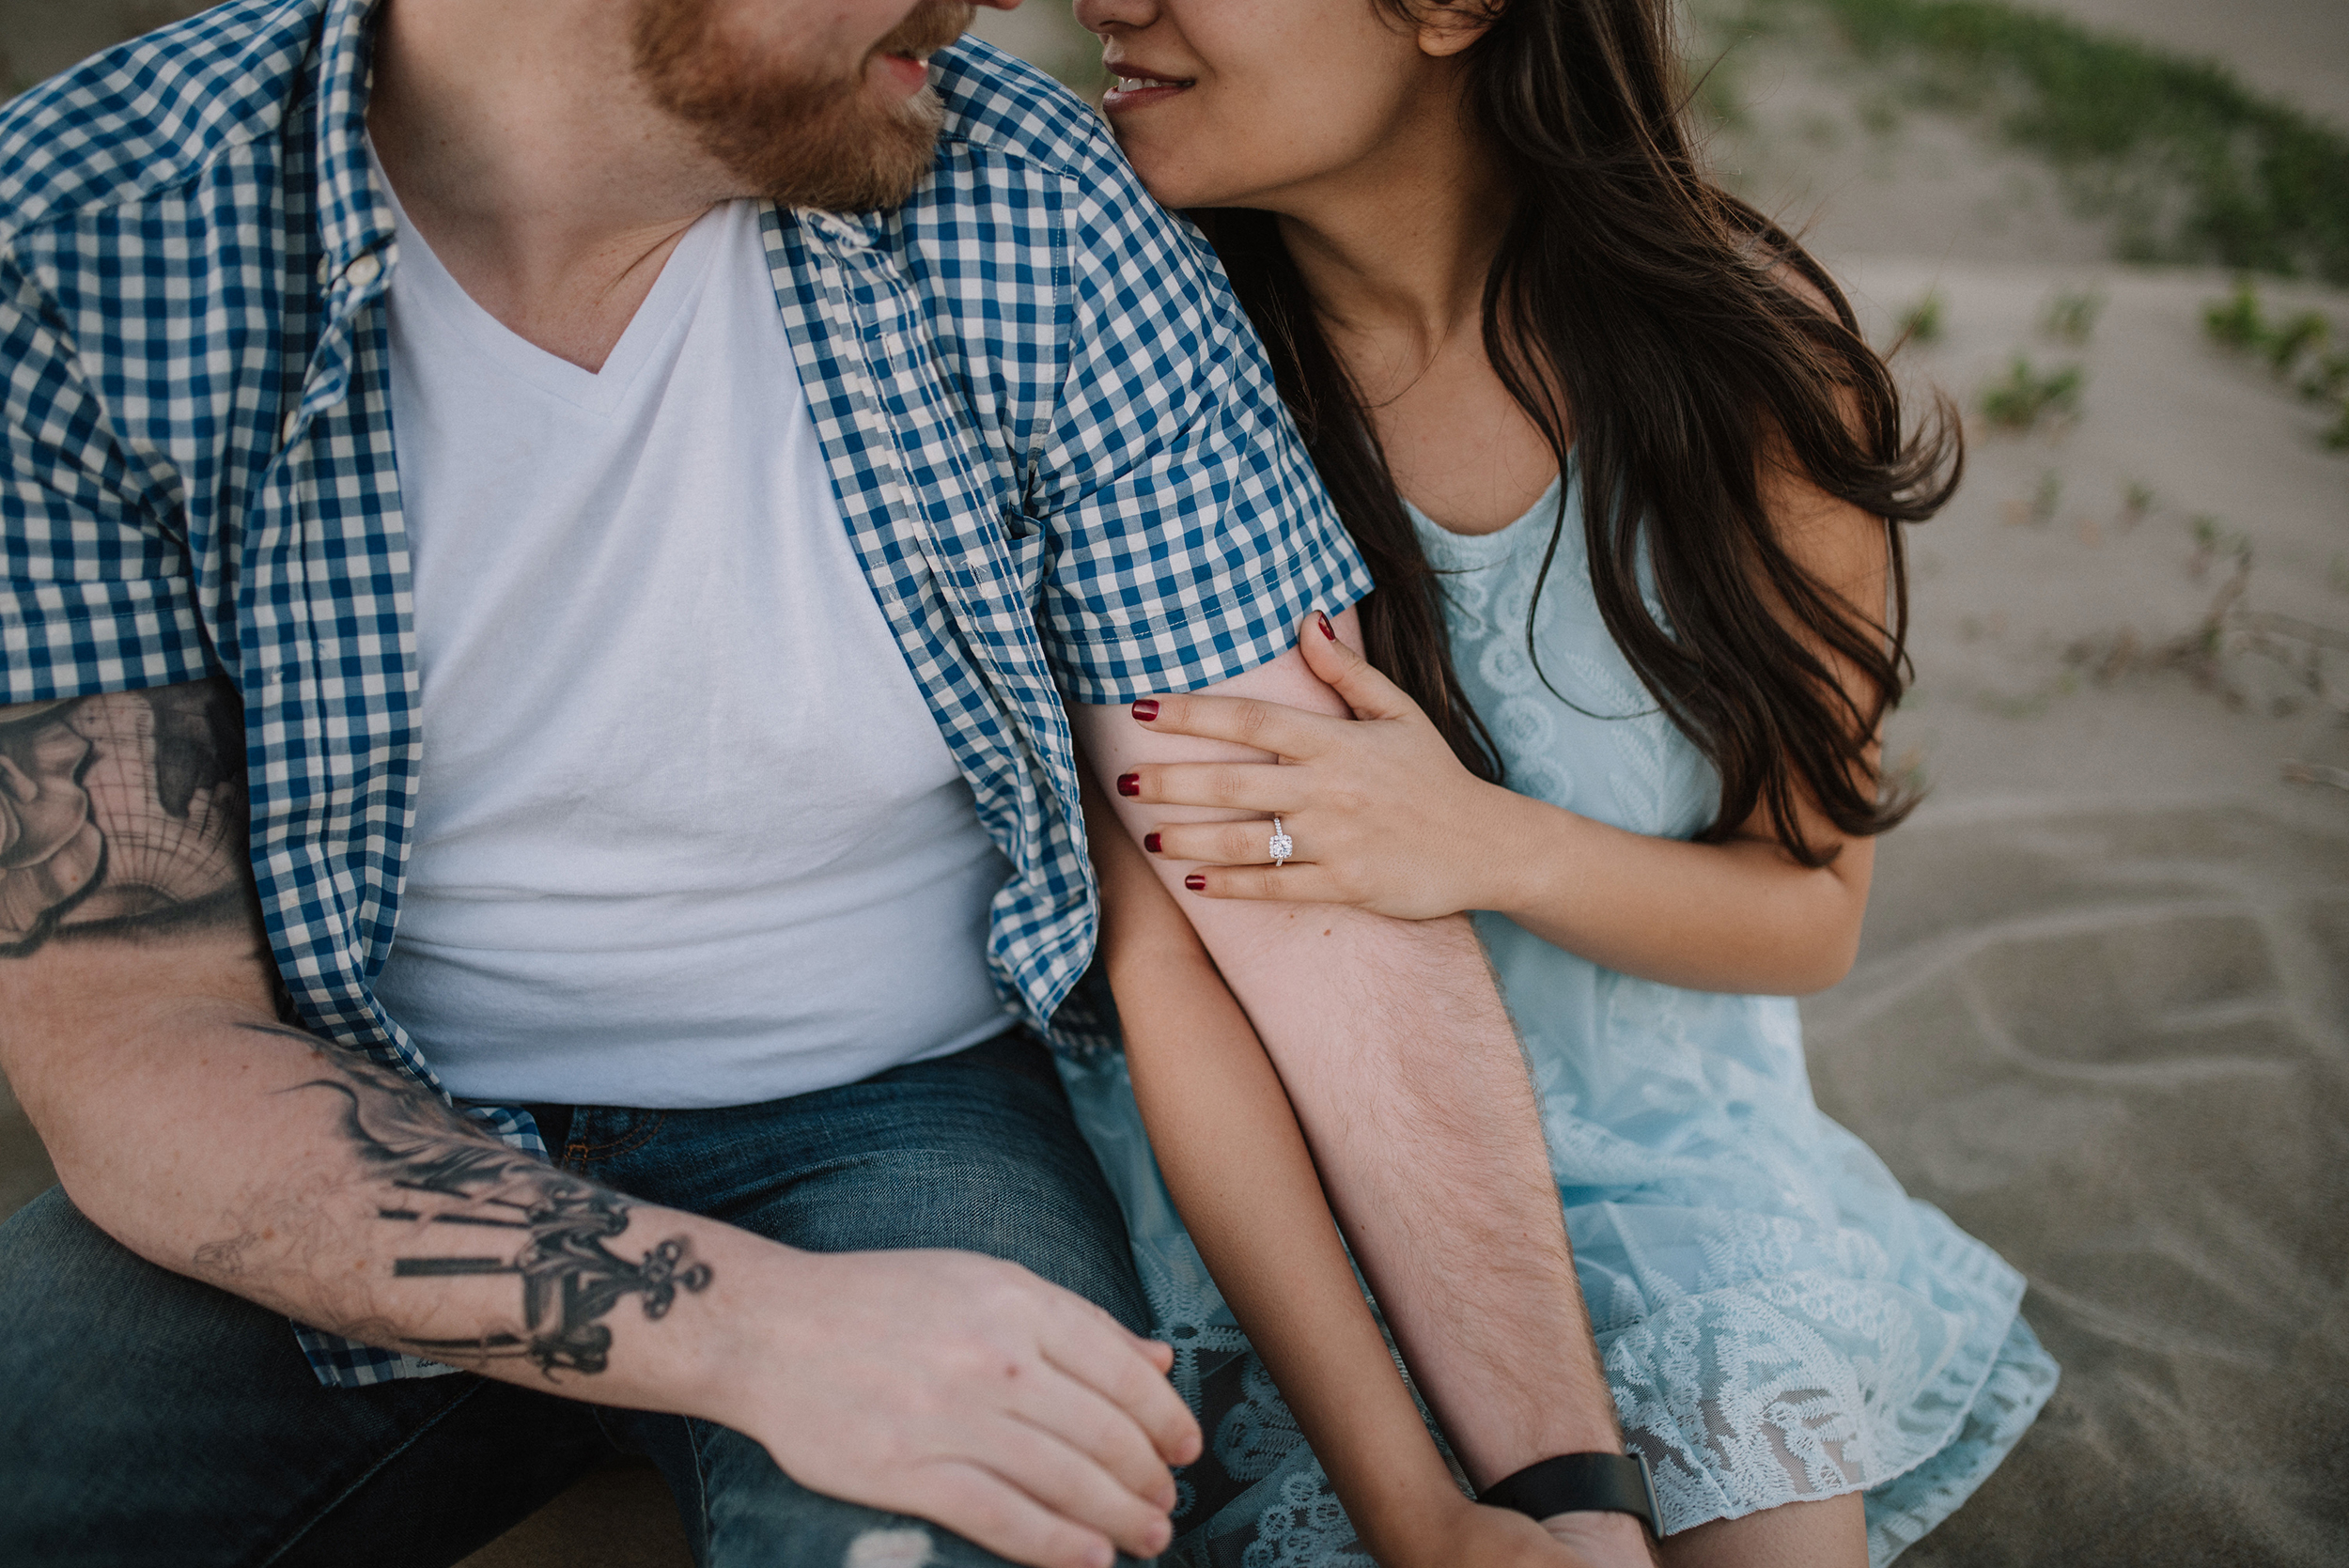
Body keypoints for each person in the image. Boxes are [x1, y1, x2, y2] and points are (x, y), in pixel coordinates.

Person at [0, 2, 1658, 1566]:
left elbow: (1307, 889)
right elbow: (136, 1038)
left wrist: (1557, 1490)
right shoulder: (86, 243)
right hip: (331, 1113)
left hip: (892, 1120)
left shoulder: (1025, 196)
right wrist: (750, 1330)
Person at [1066, 0, 2064, 1562]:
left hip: (1682, 1183)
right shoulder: (1150, 397)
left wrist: (1483, 843)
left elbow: (1808, 911)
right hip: (1304, 1225)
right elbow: (1164, 960)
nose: (1105, 1)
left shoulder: (1746, 388)